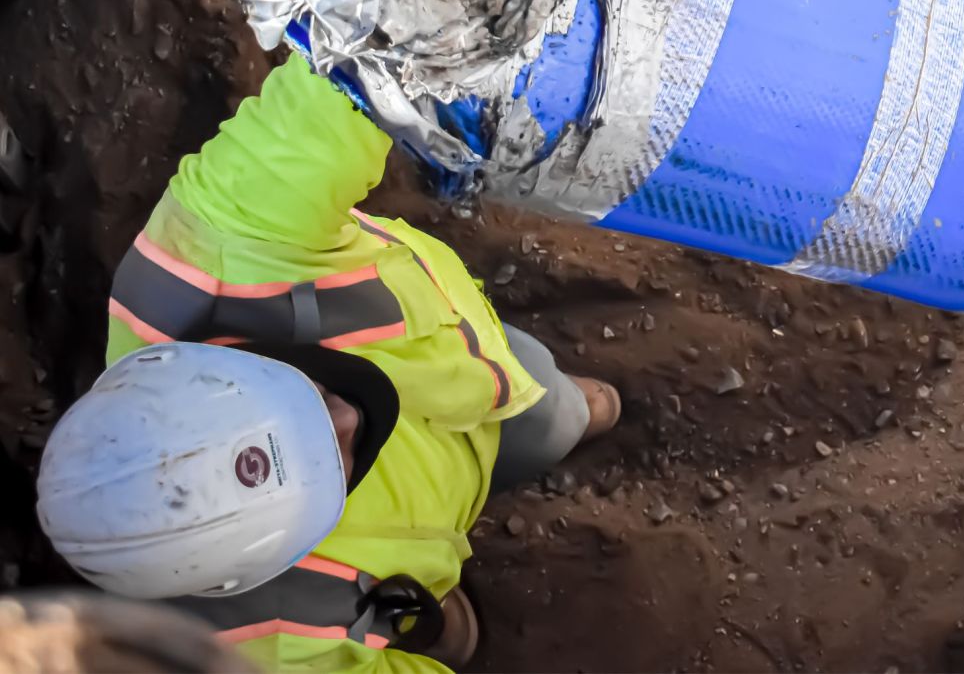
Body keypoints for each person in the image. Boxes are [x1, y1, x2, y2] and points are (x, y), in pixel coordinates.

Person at [33, 54, 623, 673]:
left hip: (470, 369)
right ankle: (428, 615)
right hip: (403, 544)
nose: (345, 417)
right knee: (425, 617)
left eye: (302, 400)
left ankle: (570, 415)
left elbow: (354, 70)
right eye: (330, 472)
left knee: (557, 412)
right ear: (252, 571)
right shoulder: (271, 650)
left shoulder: (221, 243)